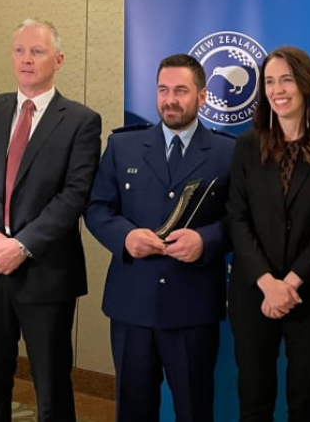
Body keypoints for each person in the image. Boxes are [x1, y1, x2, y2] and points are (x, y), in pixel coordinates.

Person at [0, 19, 102, 422]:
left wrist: (20, 245)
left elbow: (74, 195)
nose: (26, 59)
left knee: (51, 392)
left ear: (59, 59)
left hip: (45, 275)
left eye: (37, 51)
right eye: (19, 51)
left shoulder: (82, 121)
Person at [84, 54, 235, 422]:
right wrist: (125, 237)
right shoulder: (123, 146)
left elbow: (240, 221)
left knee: (194, 409)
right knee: (133, 411)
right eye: (163, 90)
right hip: (132, 303)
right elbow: (97, 208)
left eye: (181, 90)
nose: (170, 99)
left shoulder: (229, 152)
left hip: (192, 305)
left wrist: (206, 241)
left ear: (202, 97)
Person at [226, 45, 310, 422]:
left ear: (306, 84)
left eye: (287, 79)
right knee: (254, 397)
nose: (278, 89)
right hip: (254, 292)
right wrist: (268, 282)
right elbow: (236, 217)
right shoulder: (248, 145)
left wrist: (292, 282)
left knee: (305, 397)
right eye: (269, 81)